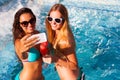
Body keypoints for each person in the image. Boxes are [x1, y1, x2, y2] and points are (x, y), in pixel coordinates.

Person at [43, 4, 85, 80]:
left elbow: (74, 65)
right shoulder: (55, 33)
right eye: (50, 19)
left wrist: (56, 60)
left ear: (64, 21)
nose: (53, 22)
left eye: (57, 20)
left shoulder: (65, 41)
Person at [12, 7, 44, 80]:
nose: (30, 25)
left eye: (32, 20)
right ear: (20, 25)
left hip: (40, 77)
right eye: (25, 23)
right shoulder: (19, 41)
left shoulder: (37, 34)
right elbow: (21, 51)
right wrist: (22, 51)